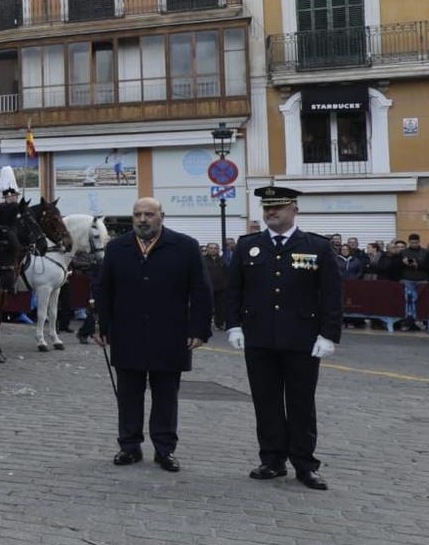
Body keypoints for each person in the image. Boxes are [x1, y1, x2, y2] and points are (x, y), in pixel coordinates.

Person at [224, 185, 342, 491]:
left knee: (301, 403)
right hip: (260, 337)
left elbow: (331, 294)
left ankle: (305, 463)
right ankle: (272, 459)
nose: (271, 212)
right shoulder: (248, 245)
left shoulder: (316, 246)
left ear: (294, 209)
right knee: (266, 401)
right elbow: (234, 289)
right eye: (266, 208)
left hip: (302, 338)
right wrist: (233, 325)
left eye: (277, 207)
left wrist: (328, 335)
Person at [93, 198, 211, 473]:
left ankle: (164, 449)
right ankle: (129, 446)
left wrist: (199, 329)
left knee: (166, 395)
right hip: (127, 332)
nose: (142, 219)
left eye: (148, 214)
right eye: (137, 215)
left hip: (170, 333)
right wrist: (101, 325)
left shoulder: (185, 246)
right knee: (129, 394)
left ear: (161, 217)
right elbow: (103, 289)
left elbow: (201, 291)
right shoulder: (117, 248)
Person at [201, 243, 227, 331]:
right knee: (206, 307)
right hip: (207, 288)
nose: (213, 250)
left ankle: (219, 323)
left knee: (221, 307)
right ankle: (204, 325)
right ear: (207, 249)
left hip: (221, 287)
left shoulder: (223, 260)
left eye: (215, 248)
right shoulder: (202, 260)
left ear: (218, 250)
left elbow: (227, 273)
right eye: (211, 248)